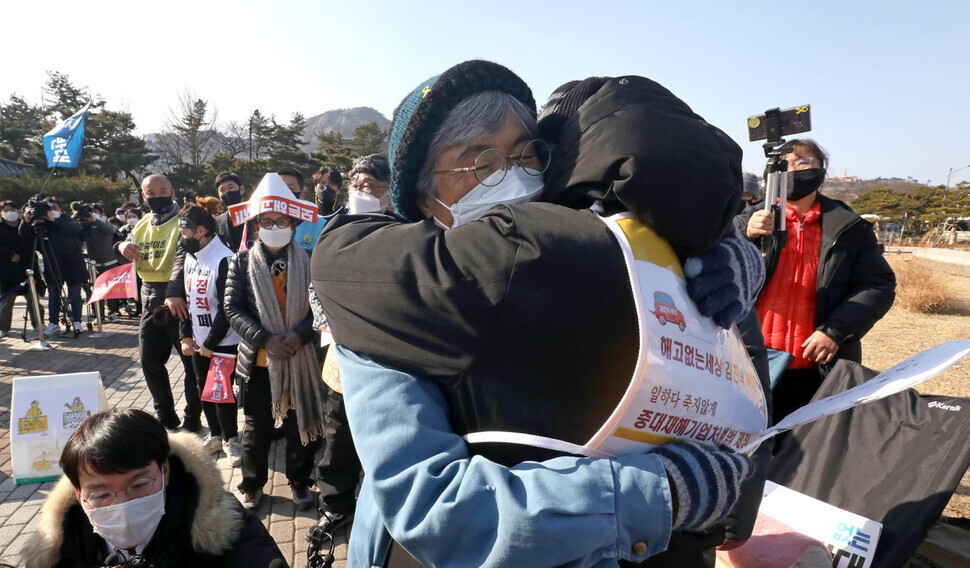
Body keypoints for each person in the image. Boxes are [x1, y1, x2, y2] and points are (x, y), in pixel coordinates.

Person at [311, 61, 762, 567]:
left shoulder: (569, 249)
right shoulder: (384, 302)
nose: (514, 176)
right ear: (423, 198)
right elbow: (436, 507)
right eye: (480, 164)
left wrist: (724, 252)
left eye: (527, 155)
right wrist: (663, 493)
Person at [736, 139, 896, 424]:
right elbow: (714, 268)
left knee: (808, 455)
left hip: (816, 369)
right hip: (746, 364)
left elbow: (878, 284)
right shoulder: (743, 221)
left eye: (803, 162)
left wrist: (835, 331)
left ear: (821, 172)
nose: (793, 169)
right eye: (784, 164)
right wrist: (744, 234)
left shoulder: (849, 228)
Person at [20, 408, 286, 567]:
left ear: (165, 471)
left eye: (139, 484)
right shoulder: (62, 544)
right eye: (101, 494)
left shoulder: (223, 525)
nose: (122, 505)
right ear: (79, 495)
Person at [224, 173, 328, 510]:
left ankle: (299, 481)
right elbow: (232, 308)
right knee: (256, 430)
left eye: (282, 220)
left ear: (293, 224)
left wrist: (298, 336)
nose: (274, 226)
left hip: (301, 357)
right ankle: (252, 484)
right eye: (266, 221)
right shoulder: (240, 263)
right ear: (255, 227)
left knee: (301, 426)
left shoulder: (309, 261)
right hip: (259, 362)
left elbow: (319, 308)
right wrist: (267, 340)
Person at [116, 174, 201, 431]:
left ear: (172, 192)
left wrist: (175, 291)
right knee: (149, 360)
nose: (157, 196)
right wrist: (121, 247)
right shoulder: (142, 224)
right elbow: (123, 243)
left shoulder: (184, 221)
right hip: (149, 296)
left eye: (162, 191)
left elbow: (185, 255)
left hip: (180, 295)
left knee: (191, 362)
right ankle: (165, 415)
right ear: (144, 196)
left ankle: (193, 417)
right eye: (151, 193)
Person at [176, 205, 242, 467]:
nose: (182, 238)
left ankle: (231, 438)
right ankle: (214, 434)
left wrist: (211, 344)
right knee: (203, 387)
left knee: (222, 391)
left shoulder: (225, 258)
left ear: (201, 231)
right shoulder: (191, 257)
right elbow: (186, 300)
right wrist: (185, 337)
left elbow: (228, 308)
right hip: (198, 339)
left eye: (185, 232)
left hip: (222, 341)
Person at [25, 197, 87, 336]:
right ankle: (53, 323)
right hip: (52, 263)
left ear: (60, 209)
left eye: (54, 208)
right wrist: (26, 221)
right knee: (53, 295)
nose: (51, 212)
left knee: (75, 295)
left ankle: (77, 321)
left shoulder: (66, 220)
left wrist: (55, 220)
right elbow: (25, 237)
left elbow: (75, 229)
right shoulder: (40, 224)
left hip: (72, 263)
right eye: (48, 209)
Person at [75, 201, 122, 323]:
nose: (91, 215)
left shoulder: (105, 225)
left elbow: (111, 230)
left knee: (112, 289)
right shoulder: (85, 227)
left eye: (95, 212)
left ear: (101, 214)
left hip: (110, 261)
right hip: (95, 264)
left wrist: (96, 221)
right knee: (98, 289)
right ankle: (100, 315)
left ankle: (112, 312)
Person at [0, 201, 42, 336]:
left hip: (28, 266)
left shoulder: (26, 224)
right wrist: (9, 254)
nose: (9, 212)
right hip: (7, 270)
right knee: (7, 301)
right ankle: (3, 327)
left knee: (33, 298)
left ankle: (39, 324)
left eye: (12, 209)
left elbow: (33, 242)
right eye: (6, 210)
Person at [213, 172, 251, 252]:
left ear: (242, 189)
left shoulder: (255, 215)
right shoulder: (217, 222)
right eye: (222, 190)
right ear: (219, 196)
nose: (227, 192)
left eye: (231, 188)